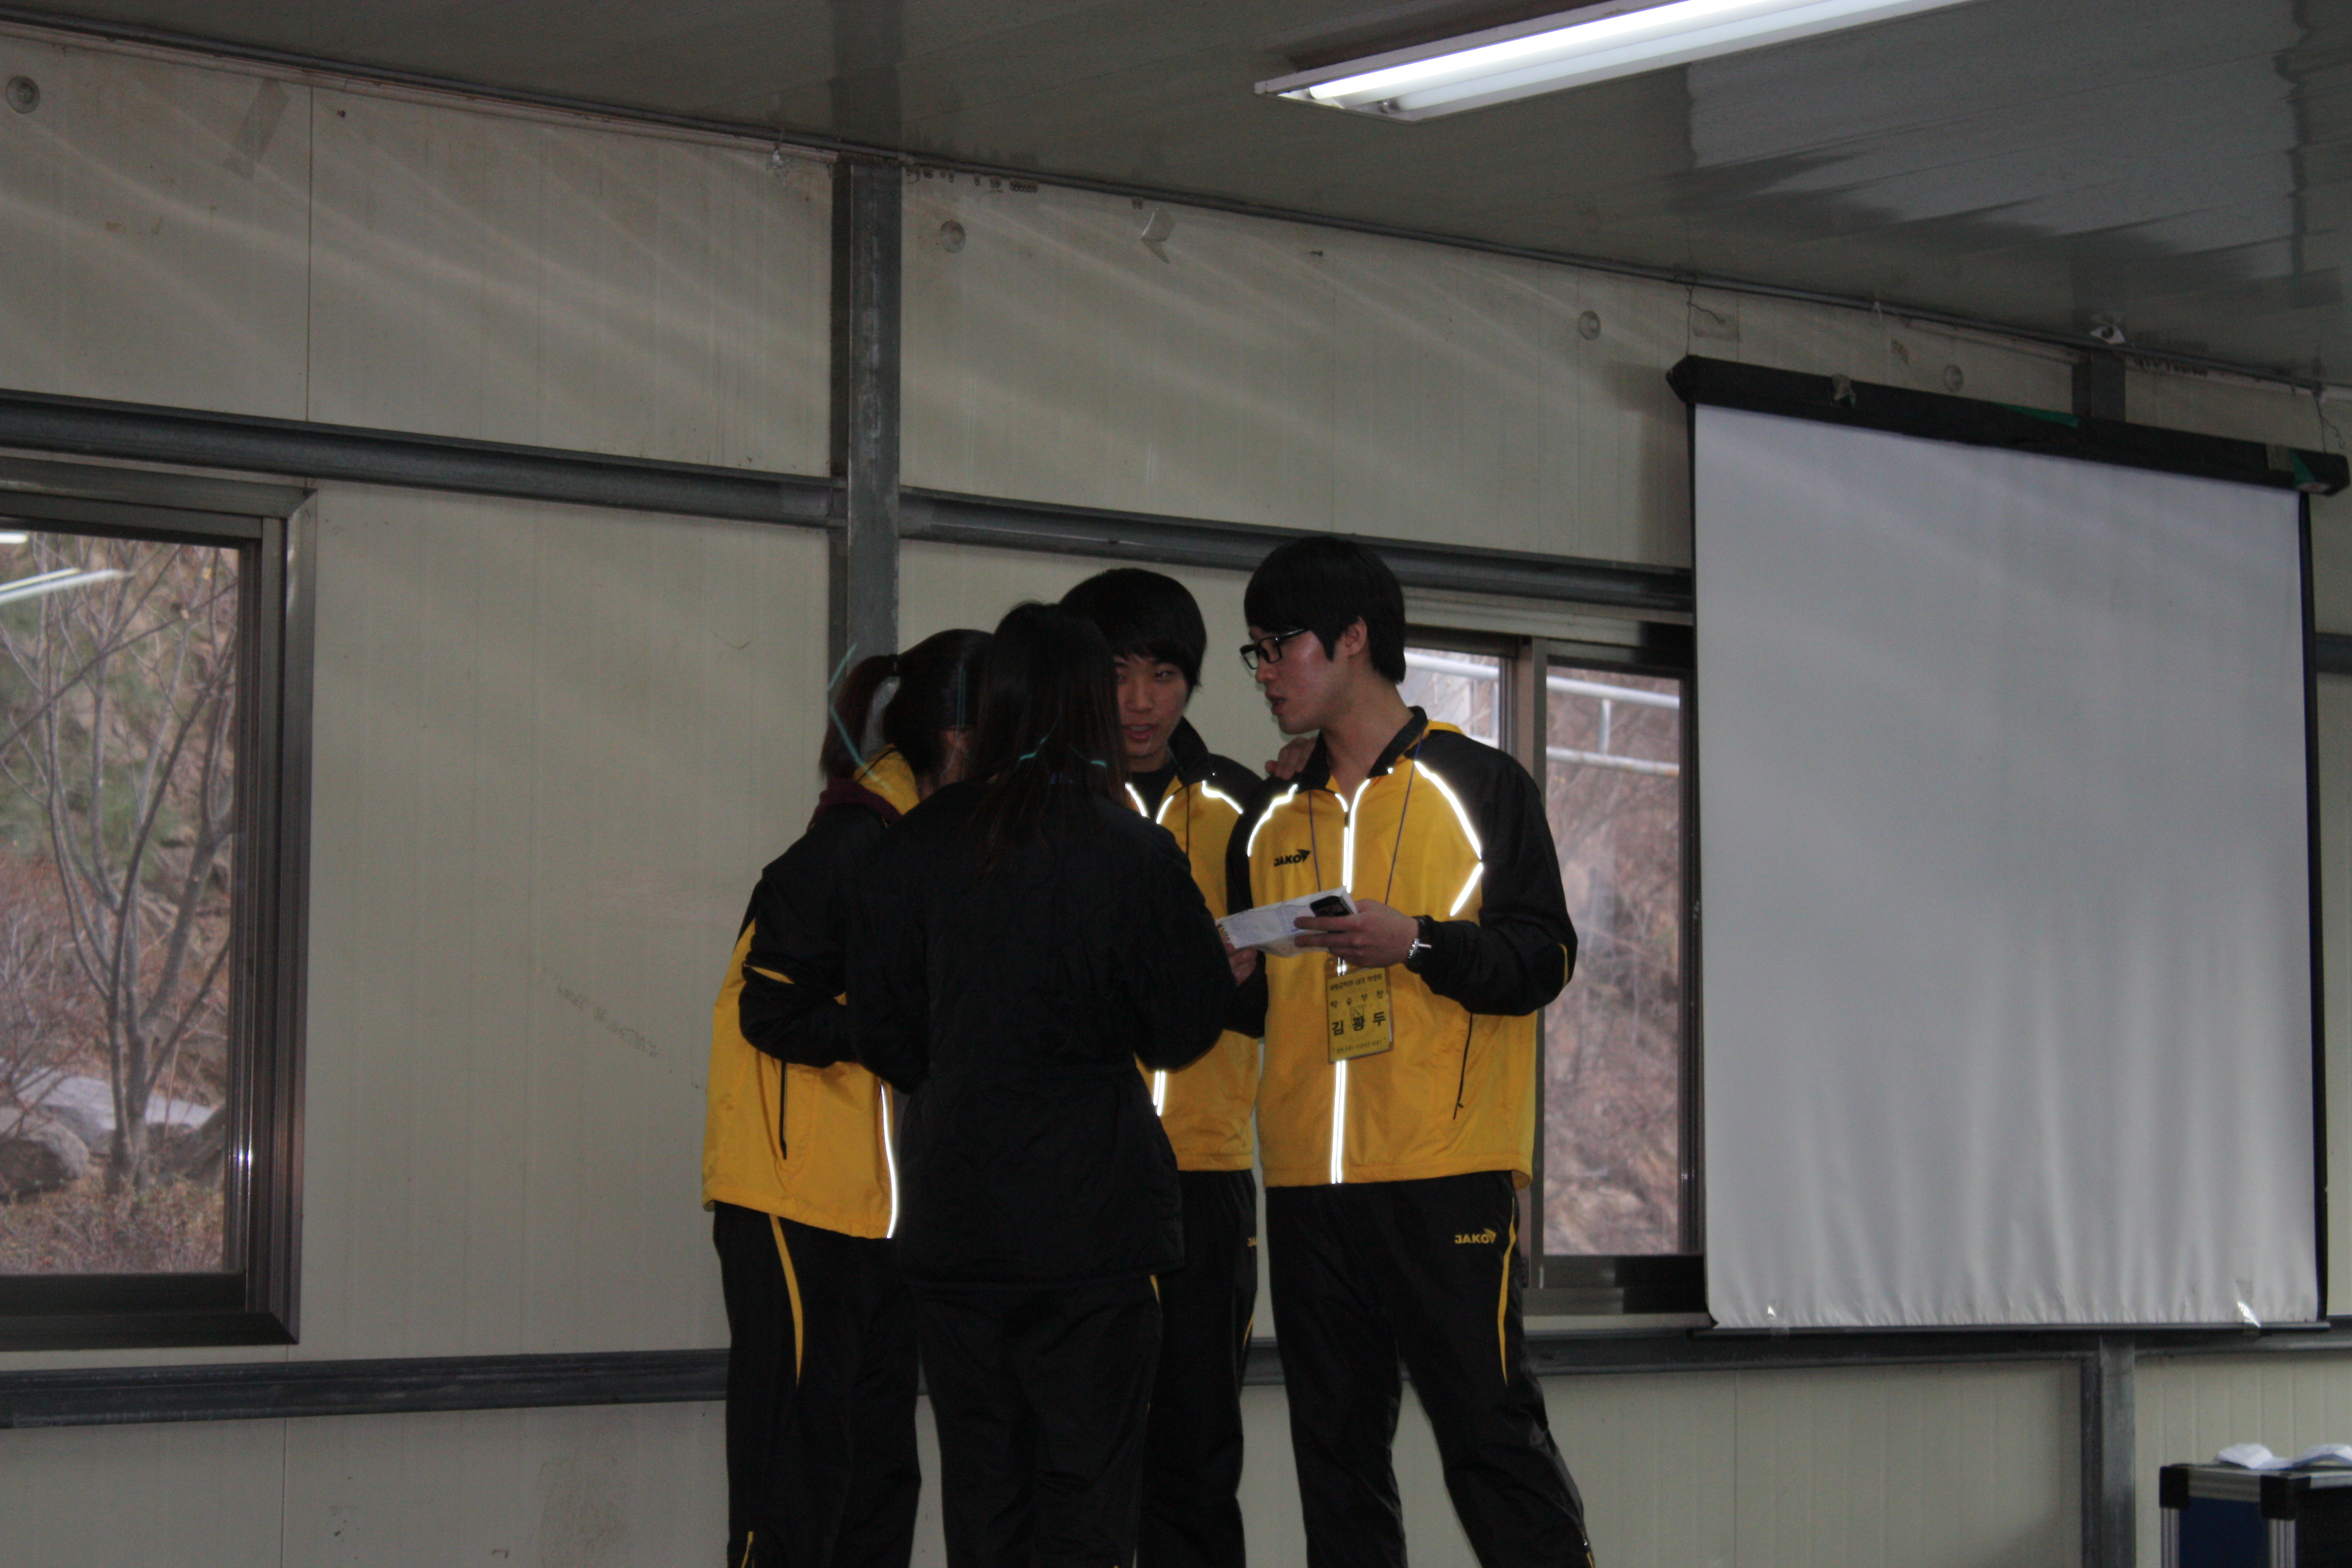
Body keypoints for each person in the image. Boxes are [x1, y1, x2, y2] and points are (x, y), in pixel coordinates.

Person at [1226, 537, 1594, 1568]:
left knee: (1492, 1443)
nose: (1265, 673)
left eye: (1280, 647)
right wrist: (1232, 977)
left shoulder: (1481, 785)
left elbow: (1546, 957)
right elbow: (1258, 1013)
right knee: (1336, 1463)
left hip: (1445, 1172)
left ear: (1353, 639)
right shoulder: (1266, 819)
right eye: (1254, 653)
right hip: (1307, 1182)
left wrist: (1421, 944)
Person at [848, 601, 1234, 1568]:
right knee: (1088, 1501)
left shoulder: (918, 842)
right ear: (1091, 706)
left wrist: (963, 1077)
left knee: (985, 1495)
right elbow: (1182, 1030)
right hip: (1094, 1226)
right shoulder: (1130, 848)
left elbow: (883, 1028)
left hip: (957, 1216)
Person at [702, 627, 990, 1568]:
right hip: (793, 1201)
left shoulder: (924, 841)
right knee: (792, 1480)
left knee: (876, 1479)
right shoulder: (851, 842)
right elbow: (771, 1011)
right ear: (959, 737)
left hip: (880, 1210)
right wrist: (906, 1025)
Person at [1060, 568, 1264, 1568]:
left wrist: (1222, 978)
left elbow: (1287, 995)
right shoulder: (1041, 808)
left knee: (1194, 1460)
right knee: (1069, 1463)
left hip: (1201, 1176)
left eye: (1165, 674)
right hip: (1068, 1180)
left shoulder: (1247, 807)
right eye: (1114, 673)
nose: (1139, 702)